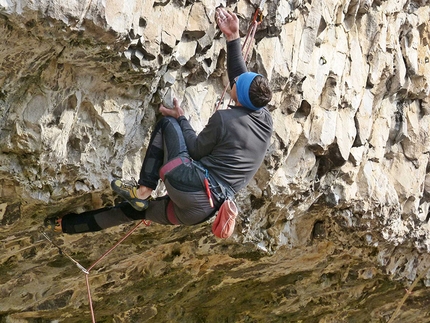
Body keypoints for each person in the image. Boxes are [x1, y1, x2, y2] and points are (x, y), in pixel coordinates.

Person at [44, 7, 273, 234]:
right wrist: (233, 37)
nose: (235, 80)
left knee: (167, 124)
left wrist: (181, 118)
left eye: (237, 84)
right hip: (201, 212)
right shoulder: (264, 118)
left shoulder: (225, 119)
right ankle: (64, 226)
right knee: (133, 212)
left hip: (191, 186)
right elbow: (240, 80)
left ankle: (143, 191)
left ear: (240, 96)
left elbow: (194, 150)